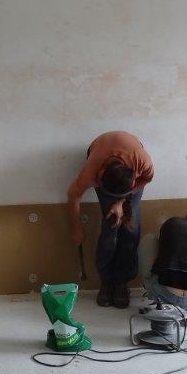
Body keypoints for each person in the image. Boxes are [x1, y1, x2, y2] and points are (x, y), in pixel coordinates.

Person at [67, 131, 154, 309]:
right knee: (111, 226)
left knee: (131, 228)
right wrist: (76, 228)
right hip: (101, 156)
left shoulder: (142, 162)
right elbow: (73, 196)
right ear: (100, 176)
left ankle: (121, 283)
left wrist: (122, 202)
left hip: (130, 170)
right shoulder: (92, 171)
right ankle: (106, 281)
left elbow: (147, 179)